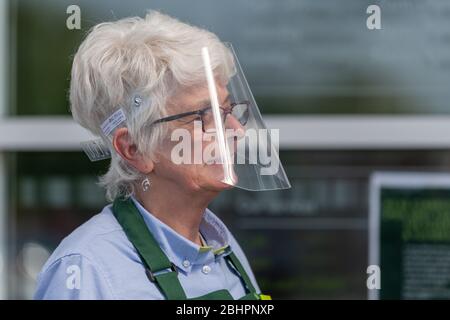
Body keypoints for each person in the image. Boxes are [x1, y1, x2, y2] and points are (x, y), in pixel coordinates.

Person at [34, 10, 289, 300]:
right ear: (135, 149)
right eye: (206, 116)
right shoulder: (86, 270)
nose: (236, 131)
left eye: (229, 111)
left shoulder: (221, 245)